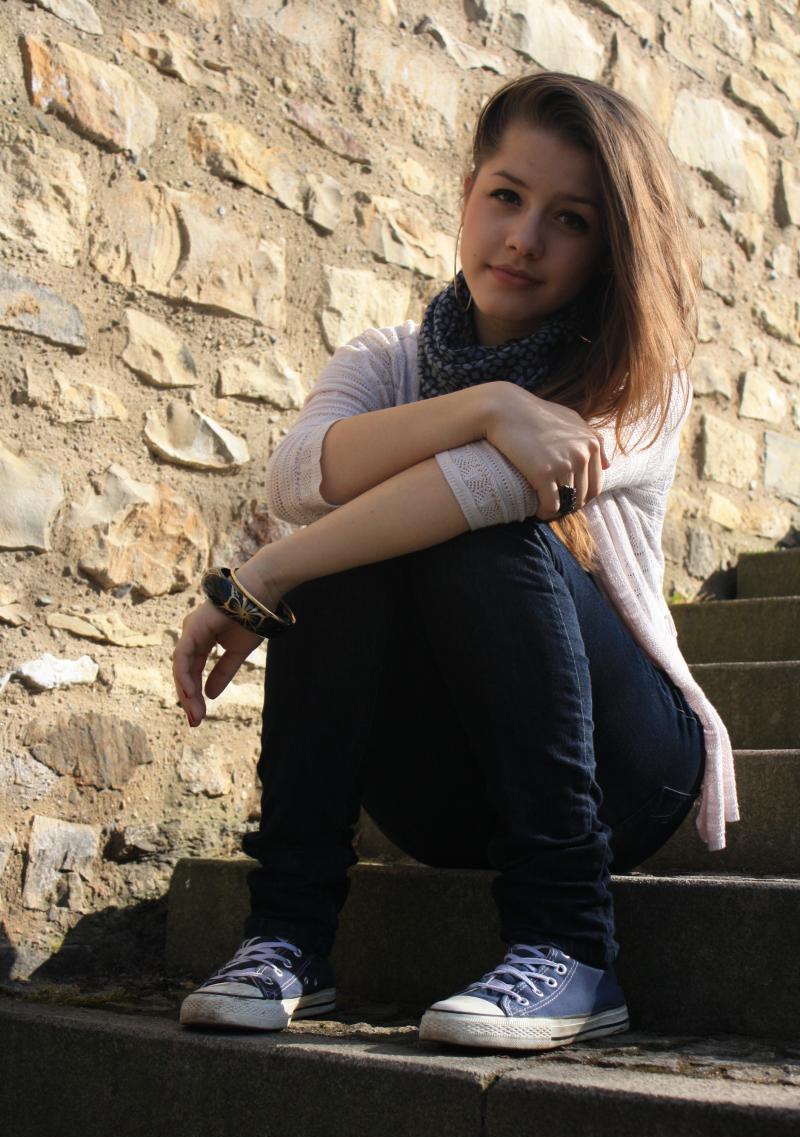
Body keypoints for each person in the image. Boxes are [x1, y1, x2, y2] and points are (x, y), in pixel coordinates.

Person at [172, 71, 738, 1051]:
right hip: (439, 789)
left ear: (609, 247)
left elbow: (489, 490)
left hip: (623, 770)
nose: (523, 238)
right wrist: (487, 406)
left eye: (569, 220)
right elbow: (299, 475)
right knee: (351, 548)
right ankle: (286, 939)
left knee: (466, 535)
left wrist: (265, 577)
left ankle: (571, 945)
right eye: (506, 197)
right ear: (468, 192)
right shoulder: (387, 359)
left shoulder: (640, 378)